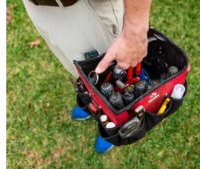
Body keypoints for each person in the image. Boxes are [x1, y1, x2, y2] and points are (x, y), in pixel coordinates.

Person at [22, 0, 152, 153]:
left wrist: (135, 30)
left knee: (113, 73)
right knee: (81, 70)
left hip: (85, 8)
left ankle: (114, 124)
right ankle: (92, 102)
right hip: (38, 7)